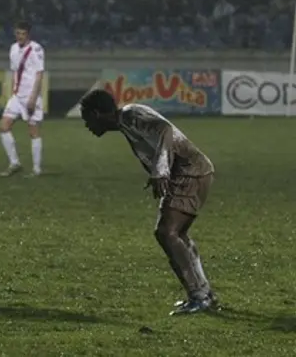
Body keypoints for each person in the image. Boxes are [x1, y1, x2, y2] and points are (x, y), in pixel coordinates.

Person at [79, 89, 218, 315]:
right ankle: (204, 294)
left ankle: (199, 296)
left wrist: (160, 170)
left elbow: (165, 130)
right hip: (189, 172)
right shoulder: (126, 122)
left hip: (189, 172)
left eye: (86, 118)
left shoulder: (132, 114)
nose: (86, 125)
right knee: (177, 234)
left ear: (96, 113)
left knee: (166, 232)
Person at [0, 21, 45, 178]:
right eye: (18, 33)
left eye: (23, 34)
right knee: (4, 126)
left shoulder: (36, 49)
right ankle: (14, 163)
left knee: (33, 132)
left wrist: (33, 97)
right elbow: (14, 72)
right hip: (17, 96)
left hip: (30, 96)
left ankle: (37, 169)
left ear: (28, 35)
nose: (20, 36)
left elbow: (39, 73)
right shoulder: (13, 49)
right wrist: (12, 91)